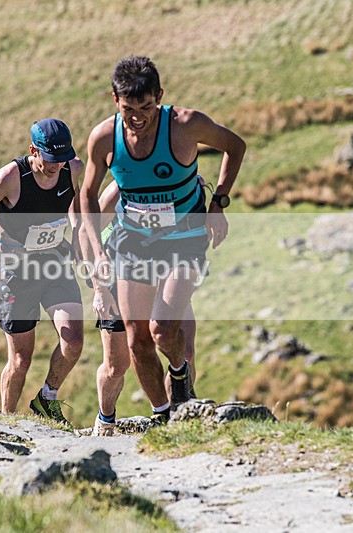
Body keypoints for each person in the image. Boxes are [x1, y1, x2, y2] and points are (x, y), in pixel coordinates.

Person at [80, 56, 245, 425]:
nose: (138, 117)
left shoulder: (186, 125)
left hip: (184, 237)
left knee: (162, 328)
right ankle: (163, 416)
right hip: (132, 240)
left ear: (160, 96)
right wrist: (97, 253)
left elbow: (236, 146)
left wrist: (218, 203)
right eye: (128, 109)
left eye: (147, 107)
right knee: (137, 339)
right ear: (114, 100)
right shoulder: (105, 137)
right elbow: (87, 195)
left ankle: (180, 371)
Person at [0, 118, 84, 427]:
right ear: (33, 151)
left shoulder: (72, 168)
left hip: (54, 263)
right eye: (49, 159)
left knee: (73, 338)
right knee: (21, 358)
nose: (55, 166)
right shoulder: (11, 177)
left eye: (61, 159)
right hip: (15, 272)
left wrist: (78, 233)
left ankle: (47, 397)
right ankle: (7, 422)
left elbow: (77, 204)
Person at [91, 180, 198, 436]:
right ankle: (105, 420)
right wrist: (100, 289)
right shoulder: (121, 188)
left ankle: (174, 416)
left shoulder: (186, 181)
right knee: (117, 364)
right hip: (122, 274)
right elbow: (86, 232)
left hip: (165, 271)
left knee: (186, 352)